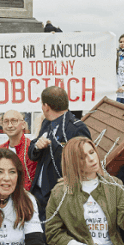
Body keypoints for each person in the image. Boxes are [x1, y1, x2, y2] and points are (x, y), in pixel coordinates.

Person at [28, 86, 92, 221]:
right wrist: (37, 147)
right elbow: (32, 151)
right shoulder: (46, 122)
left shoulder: (76, 128)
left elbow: (85, 164)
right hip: (38, 193)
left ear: (46, 106)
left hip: (57, 195)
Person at [0, 110, 37, 191]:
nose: (9, 125)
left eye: (14, 121)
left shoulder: (32, 148)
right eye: (6, 121)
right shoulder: (0, 149)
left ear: (23, 125)